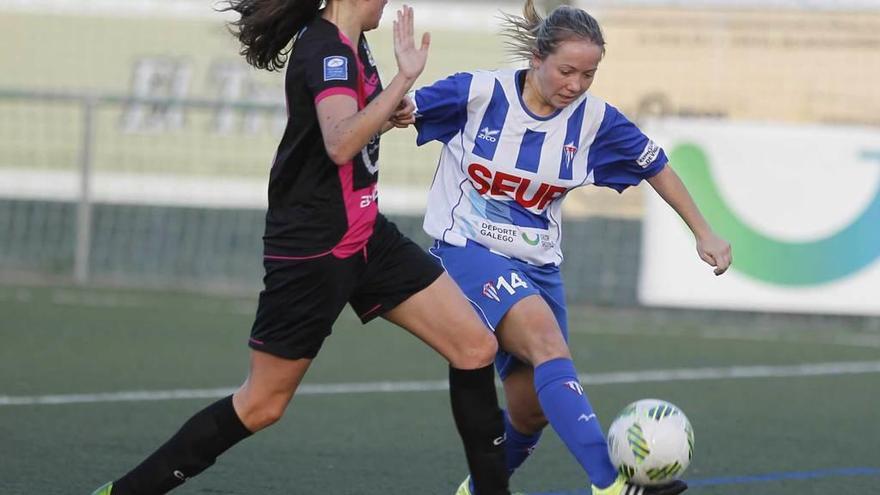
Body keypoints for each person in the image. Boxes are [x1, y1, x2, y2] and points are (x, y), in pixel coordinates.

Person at [90, 2, 512, 494]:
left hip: (366, 235)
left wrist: (389, 109)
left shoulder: (354, 43)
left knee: (475, 346)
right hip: (317, 247)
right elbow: (339, 142)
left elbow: (352, 123)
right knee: (261, 404)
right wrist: (402, 81)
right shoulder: (325, 48)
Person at [407, 2, 732, 495]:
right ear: (536, 58)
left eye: (589, 74)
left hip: (538, 267)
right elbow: (406, 112)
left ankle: (473, 492)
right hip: (464, 251)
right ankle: (611, 484)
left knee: (530, 412)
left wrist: (703, 231)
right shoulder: (478, 92)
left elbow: (656, 165)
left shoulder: (595, 120)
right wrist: (398, 97)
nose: (576, 85)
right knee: (546, 343)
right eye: (566, 70)